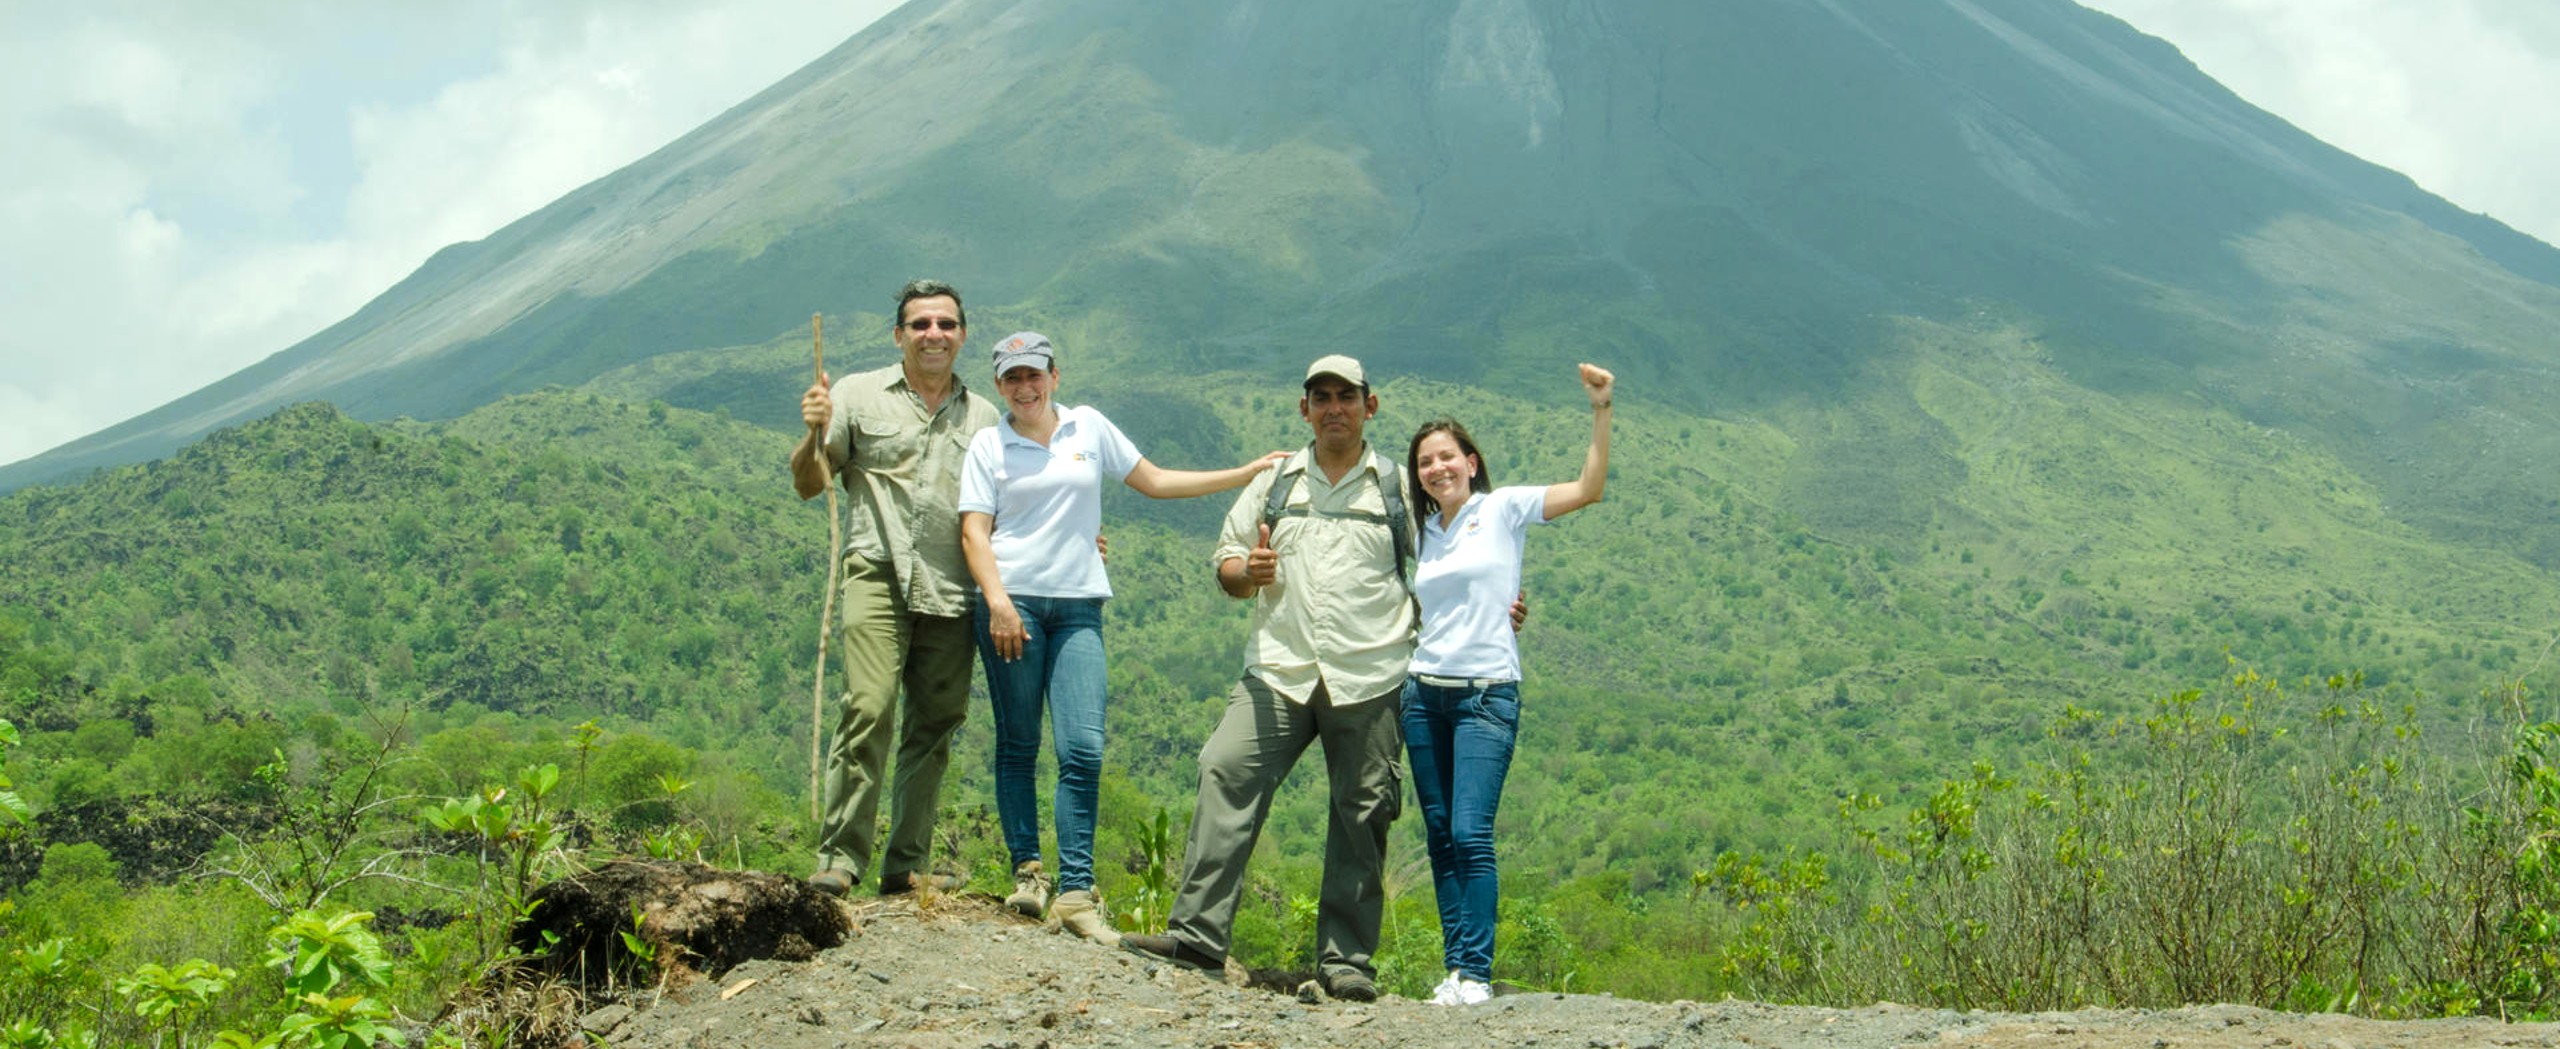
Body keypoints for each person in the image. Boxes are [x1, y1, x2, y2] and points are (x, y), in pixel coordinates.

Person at [956, 332, 1288, 944]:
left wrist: (1246, 473)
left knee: (1082, 749)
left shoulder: (1089, 428)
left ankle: (1077, 893)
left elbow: (1155, 481)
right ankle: (1029, 872)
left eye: (1035, 375)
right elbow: (975, 532)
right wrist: (998, 603)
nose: (1025, 388)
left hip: (1081, 605)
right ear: (999, 385)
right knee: (1020, 742)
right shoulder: (988, 443)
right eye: (1011, 378)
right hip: (1013, 605)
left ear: (1055, 375)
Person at [1121, 354, 1415, 1003]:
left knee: (1362, 811)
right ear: (1303, 408)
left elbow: (1448, 561)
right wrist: (1245, 573)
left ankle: (1346, 962)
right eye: (1321, 396)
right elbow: (1225, 560)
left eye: (1346, 395)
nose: (1333, 406)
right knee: (1226, 766)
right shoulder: (1276, 482)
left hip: (1369, 676)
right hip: (1279, 668)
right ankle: (1197, 936)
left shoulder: (1397, 489)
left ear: (1371, 405)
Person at [1402, 363, 1614, 1006]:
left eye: (1446, 457)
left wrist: (1601, 409)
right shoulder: (1422, 533)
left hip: (1485, 693)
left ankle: (1476, 973)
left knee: (1471, 832)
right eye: (1424, 462)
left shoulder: (1504, 508)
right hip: (1422, 692)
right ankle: (1454, 968)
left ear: (1470, 461)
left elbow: (1588, 489)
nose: (1436, 468)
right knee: (1439, 835)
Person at [789, 279, 1000, 898]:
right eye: (920, 325)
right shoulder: (855, 394)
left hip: (951, 589)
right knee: (869, 708)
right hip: (876, 573)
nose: (933, 334)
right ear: (899, 335)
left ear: (962, 334)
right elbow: (810, 483)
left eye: (945, 324)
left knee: (935, 724)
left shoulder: (984, 417)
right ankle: (840, 859)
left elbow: (1005, 513)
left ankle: (905, 866)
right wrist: (812, 432)